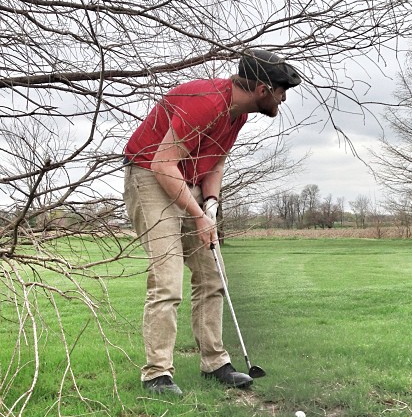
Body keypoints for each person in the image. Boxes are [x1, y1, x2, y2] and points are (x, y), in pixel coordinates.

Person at [123, 49, 301, 395]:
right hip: (149, 173)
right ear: (263, 89)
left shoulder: (237, 116)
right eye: (282, 90)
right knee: (167, 279)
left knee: (212, 274)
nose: (283, 97)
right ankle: (157, 374)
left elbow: (215, 163)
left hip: (185, 178)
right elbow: (162, 164)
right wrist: (196, 215)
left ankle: (215, 363)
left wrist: (212, 206)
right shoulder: (205, 102)